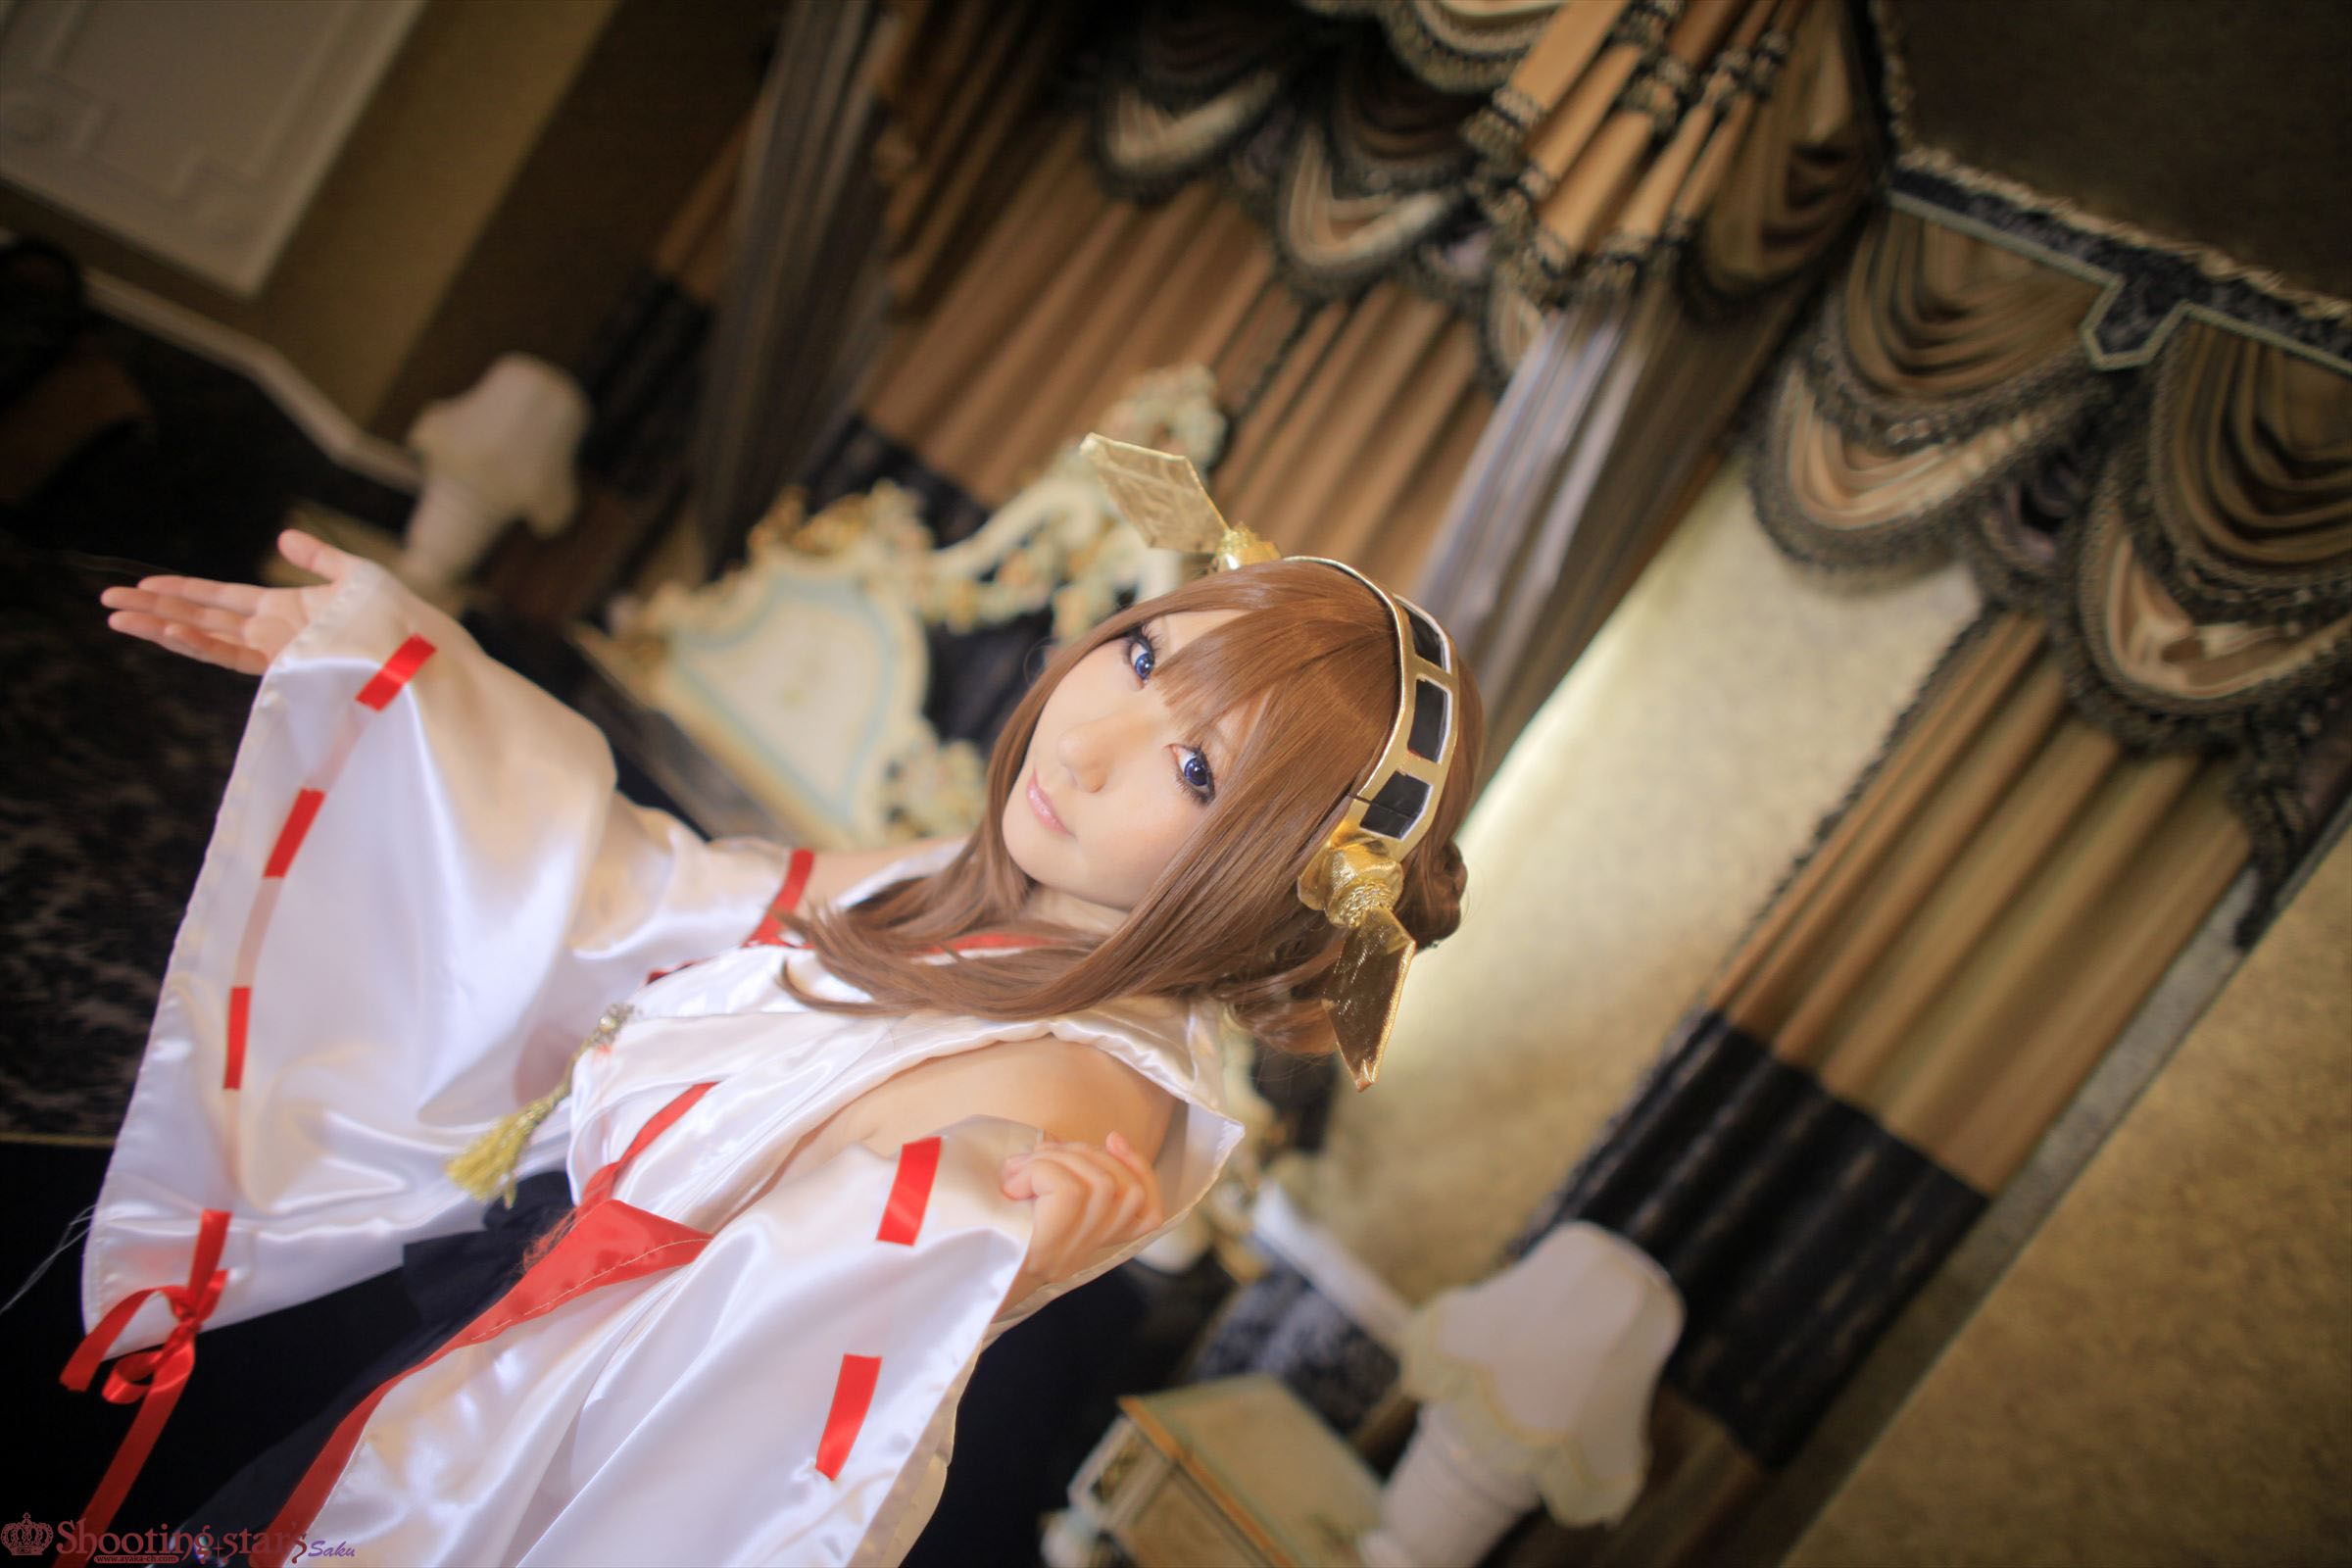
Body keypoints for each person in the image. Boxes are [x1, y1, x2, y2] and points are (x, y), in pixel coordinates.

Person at [70, 498, 1480, 1566]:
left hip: (532, 1430)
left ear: (1276, 871)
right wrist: (406, 692)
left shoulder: (1072, 1097)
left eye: (1195, 768)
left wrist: (989, 1279)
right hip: (510, 1310)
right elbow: (673, 893)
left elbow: (760, 1438)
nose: (1082, 741)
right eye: (1146, 653)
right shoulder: (996, 887)